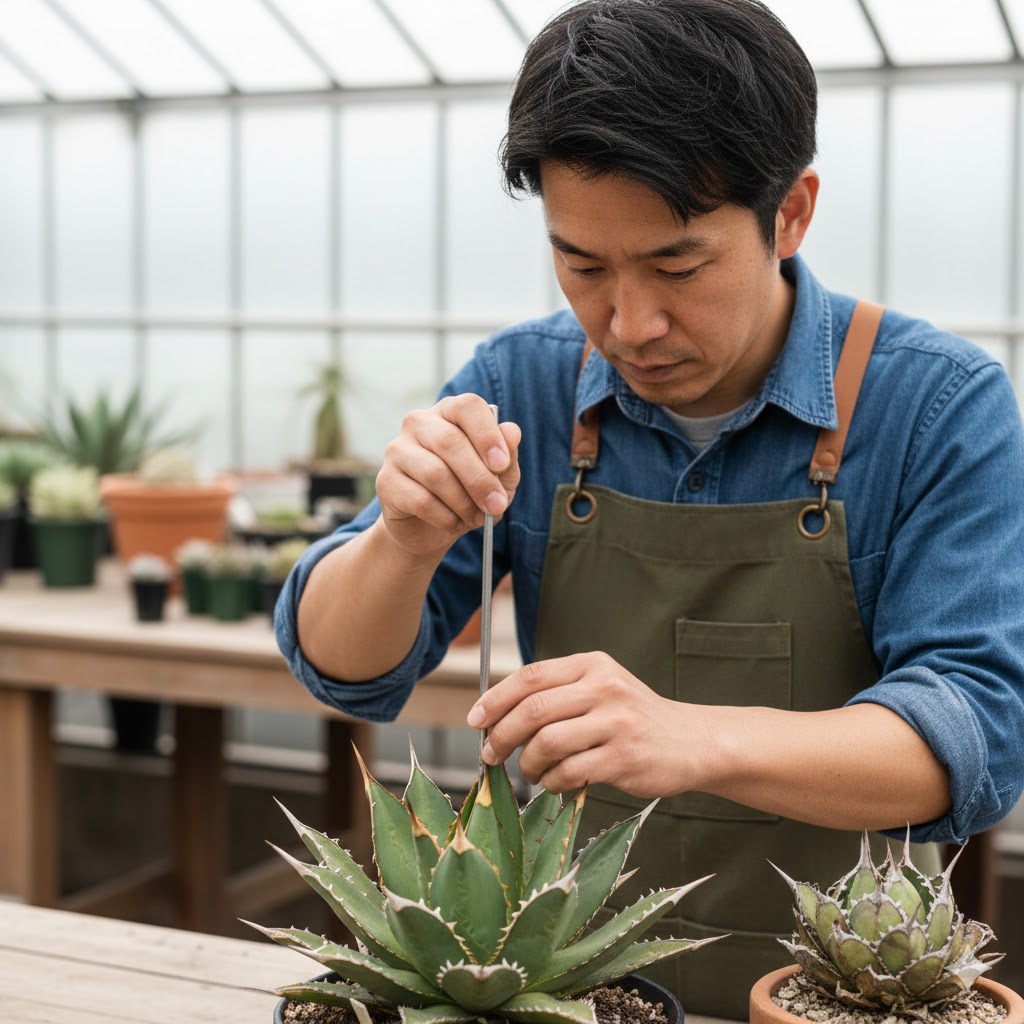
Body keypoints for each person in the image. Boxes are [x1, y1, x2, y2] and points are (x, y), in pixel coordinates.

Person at [275, 0, 1024, 1017]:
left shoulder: (934, 403)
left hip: (822, 996)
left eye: (677, 264)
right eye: (581, 264)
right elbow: (346, 668)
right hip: (562, 987)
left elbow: (976, 736)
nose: (629, 323)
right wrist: (401, 539)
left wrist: (694, 737)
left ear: (791, 211)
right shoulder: (522, 382)